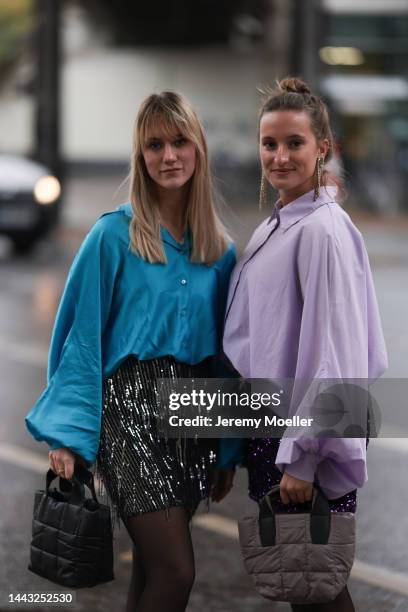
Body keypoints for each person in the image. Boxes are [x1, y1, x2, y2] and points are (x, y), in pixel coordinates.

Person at [26, 91, 236, 612]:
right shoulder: (112, 236)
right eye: (154, 145)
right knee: (176, 572)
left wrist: (228, 446)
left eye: (180, 141)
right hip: (131, 416)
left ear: (199, 149)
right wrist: (70, 434)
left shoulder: (221, 252)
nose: (169, 156)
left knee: (151, 571)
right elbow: (80, 338)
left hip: (194, 420)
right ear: (140, 157)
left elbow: (227, 359)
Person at [222, 77, 388, 611]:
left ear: (323, 148)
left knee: (319, 587)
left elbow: (333, 353)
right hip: (276, 430)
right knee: (306, 585)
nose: (279, 156)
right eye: (269, 143)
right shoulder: (281, 221)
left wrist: (305, 458)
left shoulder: (321, 230)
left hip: (302, 441)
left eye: (294, 143)